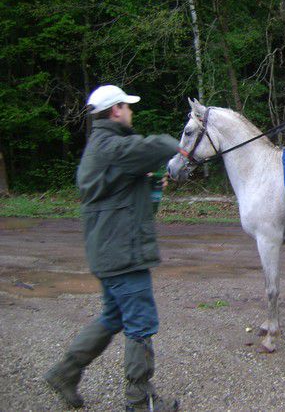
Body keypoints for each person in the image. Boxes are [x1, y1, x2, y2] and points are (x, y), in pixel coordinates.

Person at [44, 85, 186, 411]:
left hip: (112, 250)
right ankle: (140, 400)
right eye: (127, 106)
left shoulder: (105, 148)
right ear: (115, 110)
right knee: (140, 322)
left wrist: (149, 183)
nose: (131, 112)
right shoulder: (111, 146)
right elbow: (158, 146)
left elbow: (130, 200)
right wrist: (178, 144)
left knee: (113, 317)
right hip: (122, 253)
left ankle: (65, 373)